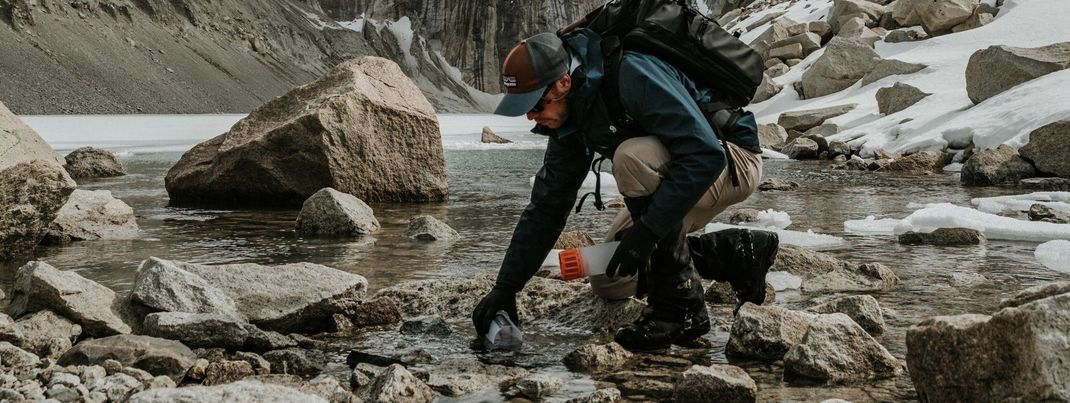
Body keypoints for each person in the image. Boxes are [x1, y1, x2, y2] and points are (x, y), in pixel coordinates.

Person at [471, 28, 765, 352]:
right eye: (524, 108)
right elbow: (546, 208)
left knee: (630, 157)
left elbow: (705, 155)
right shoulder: (570, 121)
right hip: (681, 171)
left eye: (537, 105)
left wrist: (649, 230)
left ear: (563, 83)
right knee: (611, 278)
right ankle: (738, 253)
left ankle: (680, 308)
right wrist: (507, 287)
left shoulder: (629, 74)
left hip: (731, 159)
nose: (531, 116)